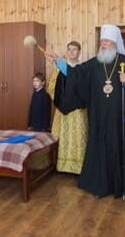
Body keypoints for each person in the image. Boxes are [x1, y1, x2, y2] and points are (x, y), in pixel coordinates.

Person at [47, 24, 125, 200]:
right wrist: (59, 62)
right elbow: (76, 74)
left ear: (115, 43)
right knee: (100, 149)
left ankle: (123, 186)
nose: (103, 44)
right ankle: (101, 186)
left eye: (106, 41)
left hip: (119, 119)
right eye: (102, 41)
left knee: (119, 148)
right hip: (98, 116)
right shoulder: (94, 63)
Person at [46, 41, 88, 174]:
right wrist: (60, 101)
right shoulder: (59, 68)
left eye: (74, 49)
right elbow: (52, 87)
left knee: (78, 138)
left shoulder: (83, 69)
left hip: (78, 111)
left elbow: (86, 89)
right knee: (63, 138)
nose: (71, 52)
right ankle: (62, 166)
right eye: (69, 49)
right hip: (63, 110)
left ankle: (79, 167)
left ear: (79, 52)